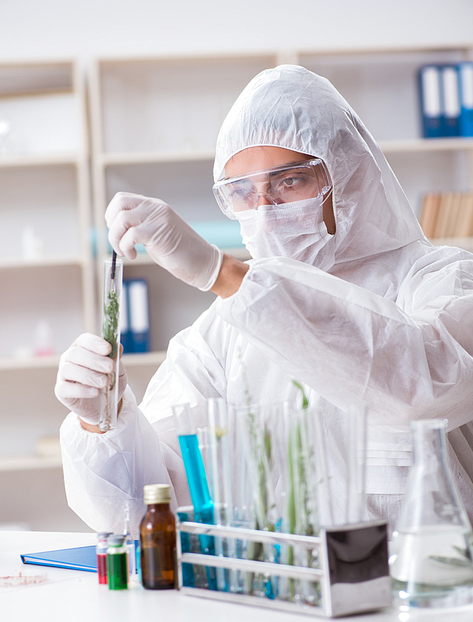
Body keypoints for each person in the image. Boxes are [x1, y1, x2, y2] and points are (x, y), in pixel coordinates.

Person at [55, 64, 473, 536]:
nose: (264, 210)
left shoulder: (440, 279)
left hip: (426, 596)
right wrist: (102, 423)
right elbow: (152, 506)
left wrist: (225, 274)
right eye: (242, 192)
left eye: (289, 181)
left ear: (348, 175)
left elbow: (421, 386)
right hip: (281, 598)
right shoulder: (221, 334)